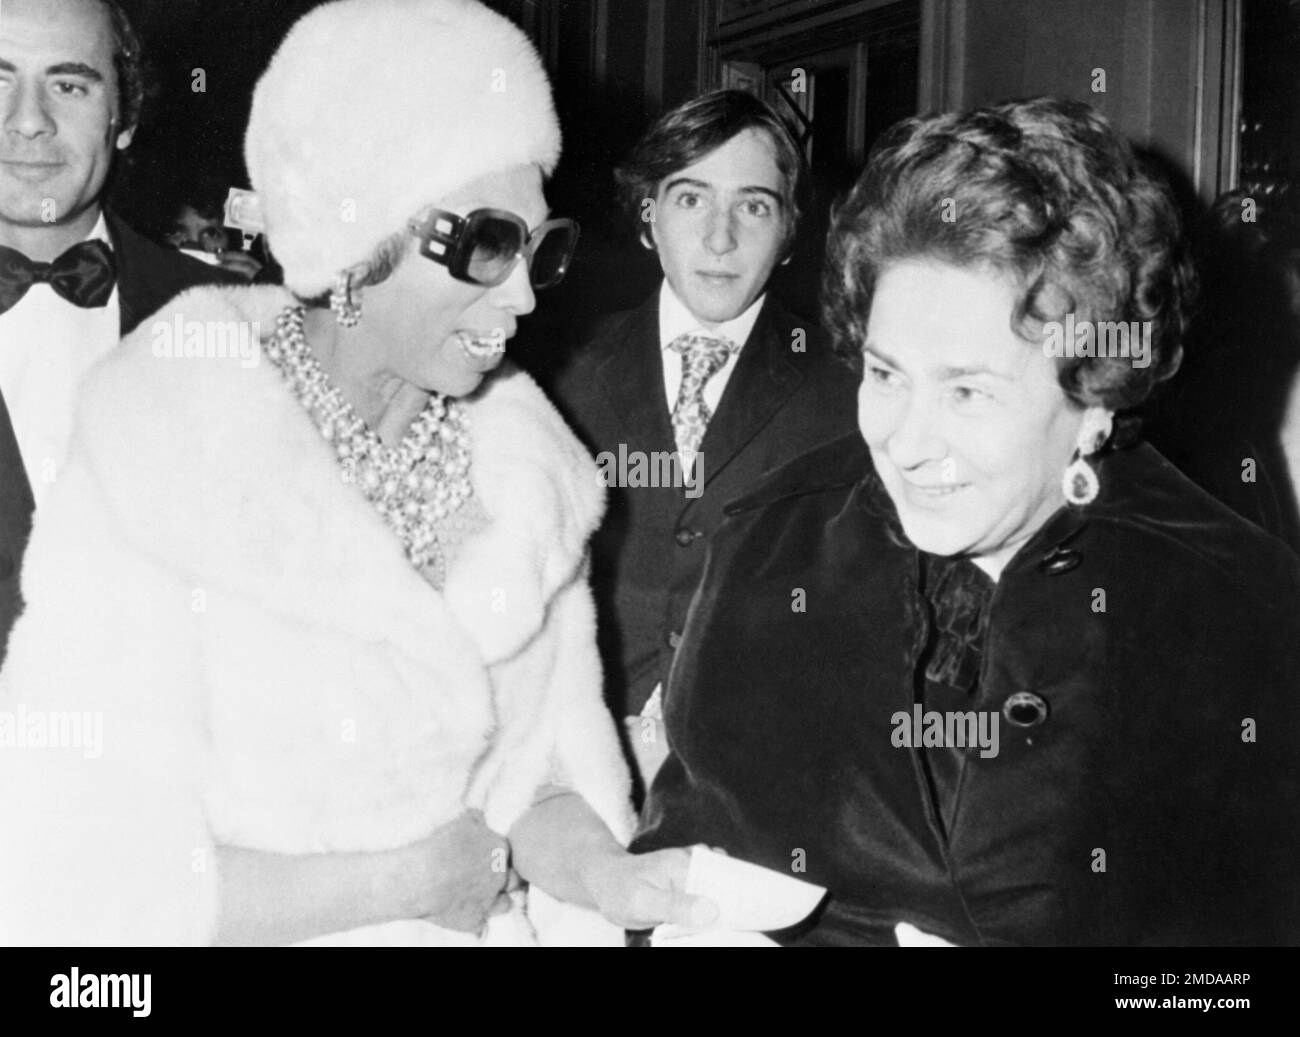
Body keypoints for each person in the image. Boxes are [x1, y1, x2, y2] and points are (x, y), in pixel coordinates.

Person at [0, 0, 711, 946]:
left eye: (541, 248)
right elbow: (85, 860)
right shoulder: (161, 434)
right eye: (486, 244)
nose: (526, 292)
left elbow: (539, 777)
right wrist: (405, 883)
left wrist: (618, 880)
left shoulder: (528, 475)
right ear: (356, 241)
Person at [633, 97, 1300, 945]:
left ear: (1093, 395)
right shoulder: (771, 546)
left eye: (967, 390)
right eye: (885, 373)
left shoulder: (1240, 612)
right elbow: (679, 864)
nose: (907, 442)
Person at [551, 90, 857, 791]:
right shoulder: (560, 371)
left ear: (788, 232)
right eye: (691, 200)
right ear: (647, 215)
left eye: (754, 206)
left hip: (762, 786)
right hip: (569, 773)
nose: (721, 238)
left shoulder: (848, 393)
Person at [0, 0, 238, 668]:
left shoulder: (238, 323)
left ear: (124, 118)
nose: (27, 121)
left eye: (69, 85)